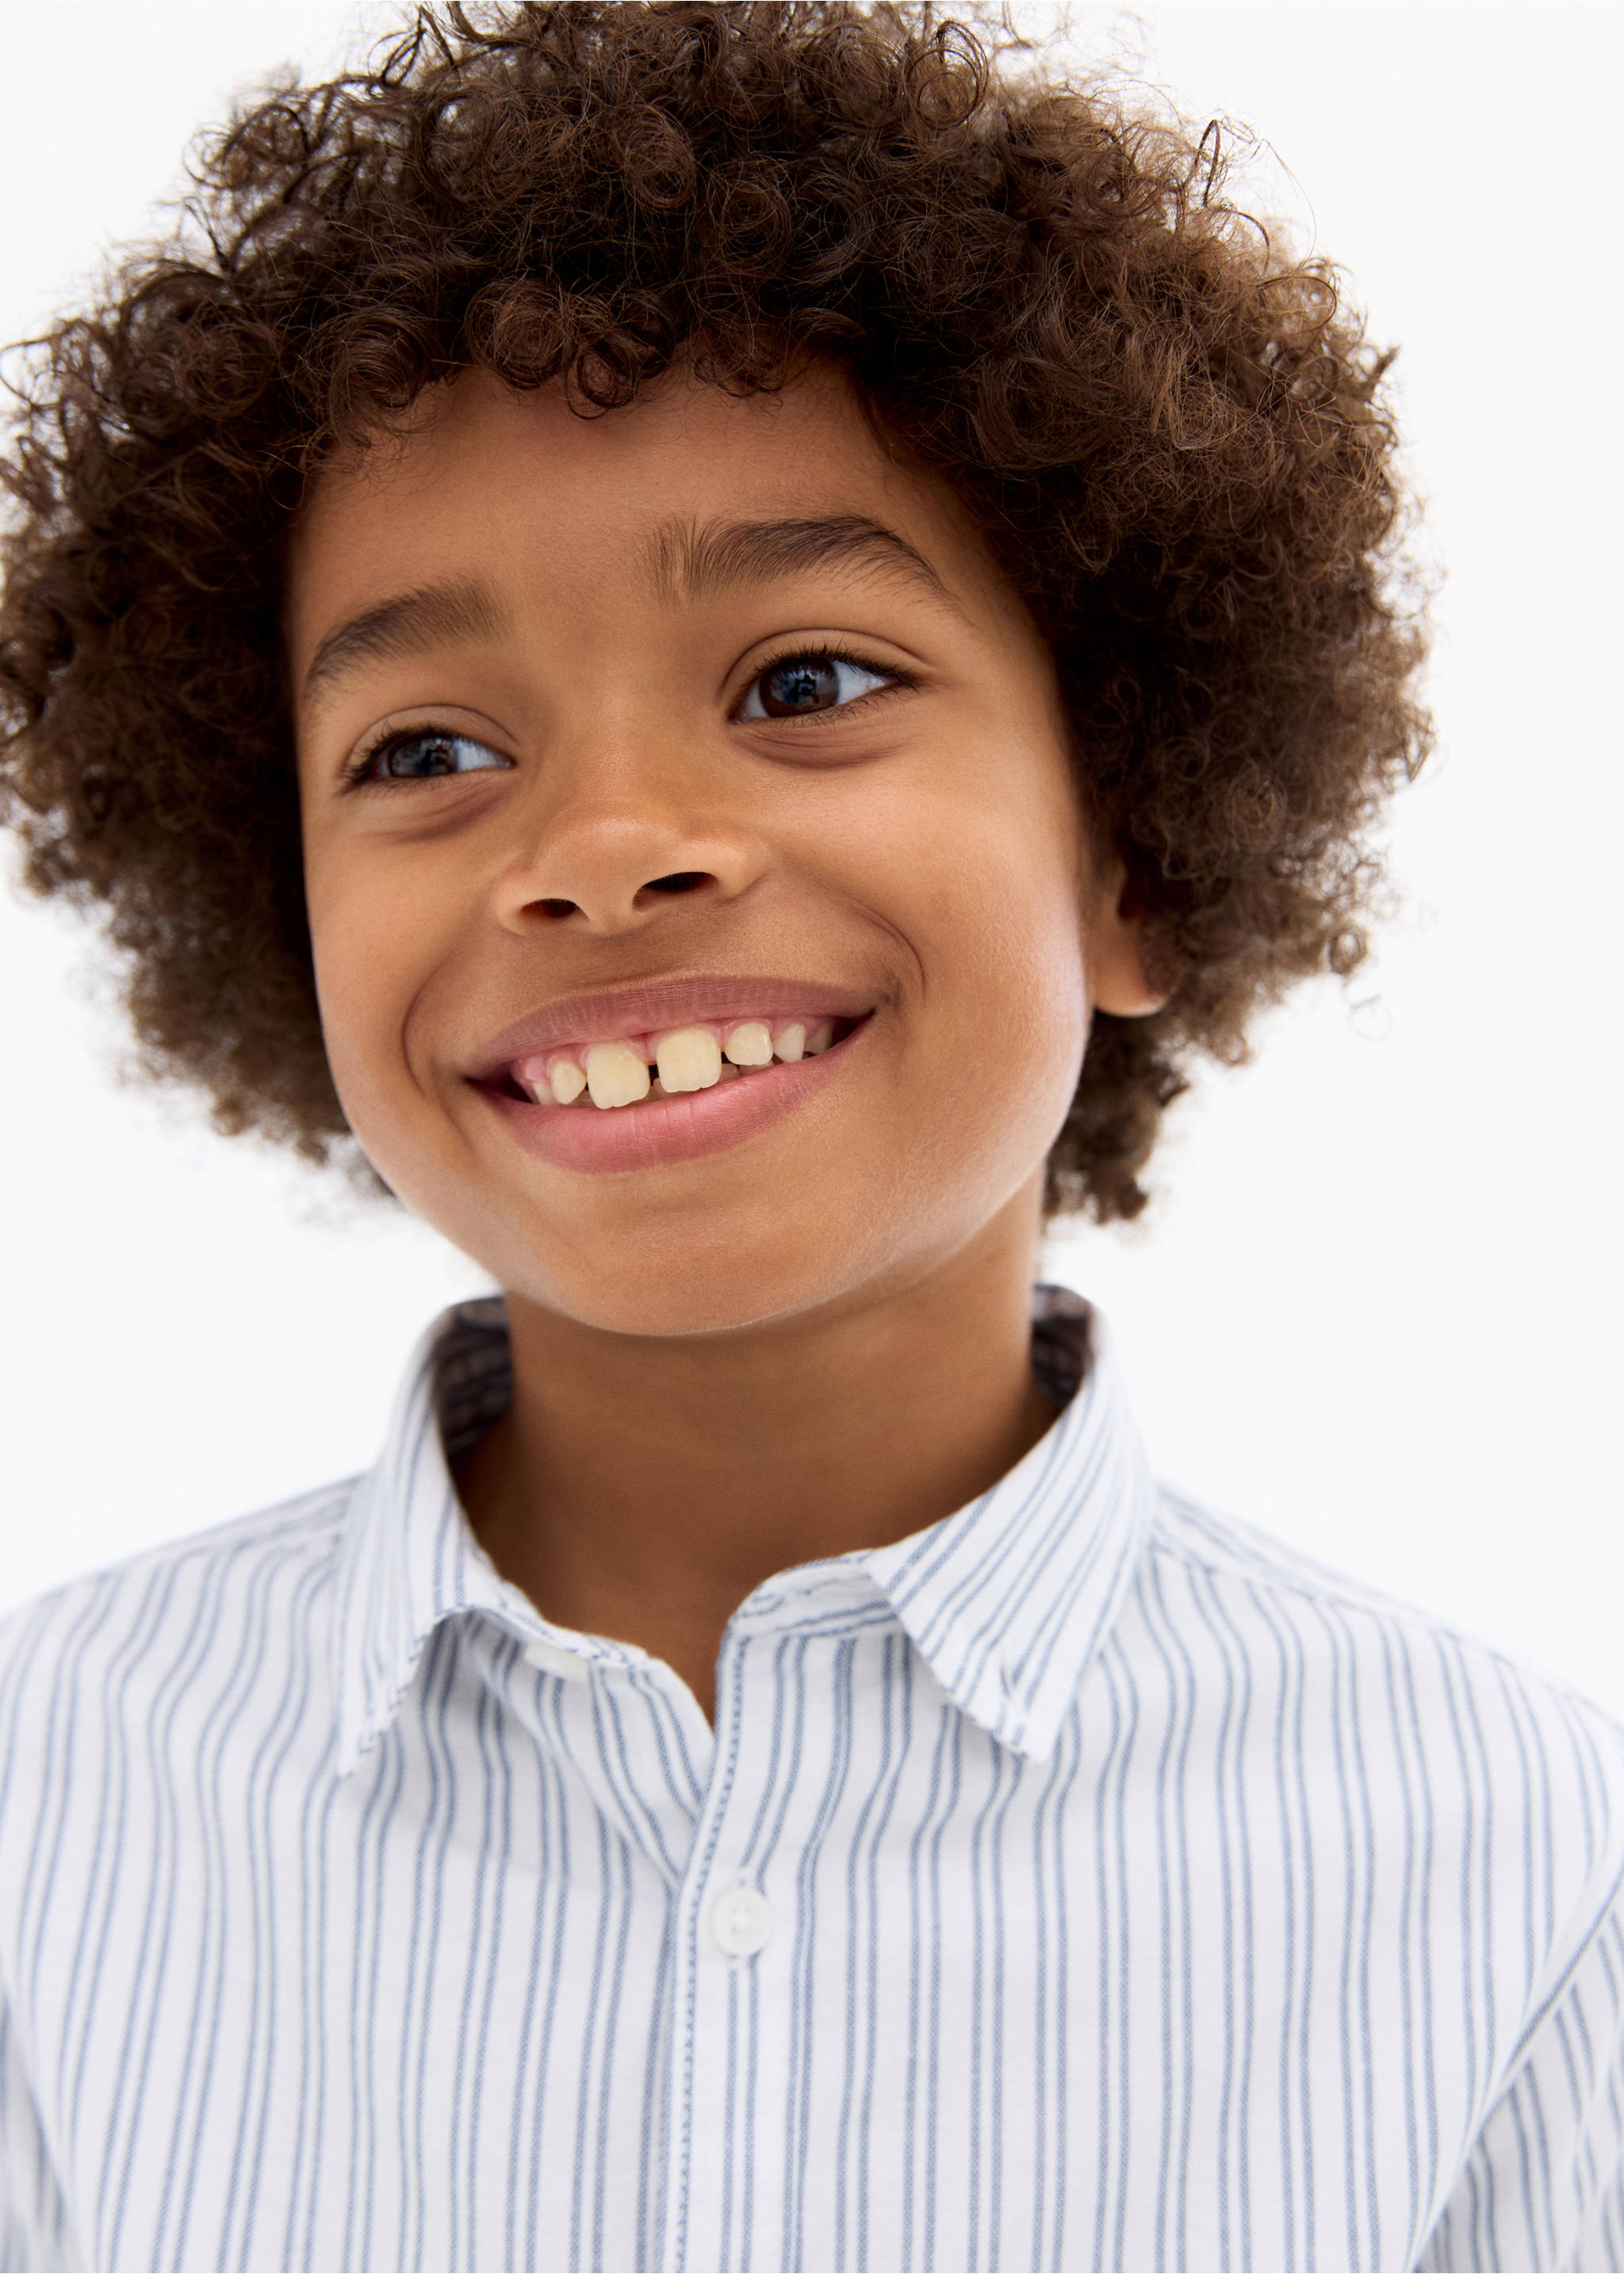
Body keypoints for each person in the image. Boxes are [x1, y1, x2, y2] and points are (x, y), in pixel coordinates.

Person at [0, 4, 1618, 2268]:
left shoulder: (1529, 1882)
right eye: (424, 747)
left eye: (809, 684)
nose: (604, 849)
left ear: (1133, 841)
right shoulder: (46, 1819)